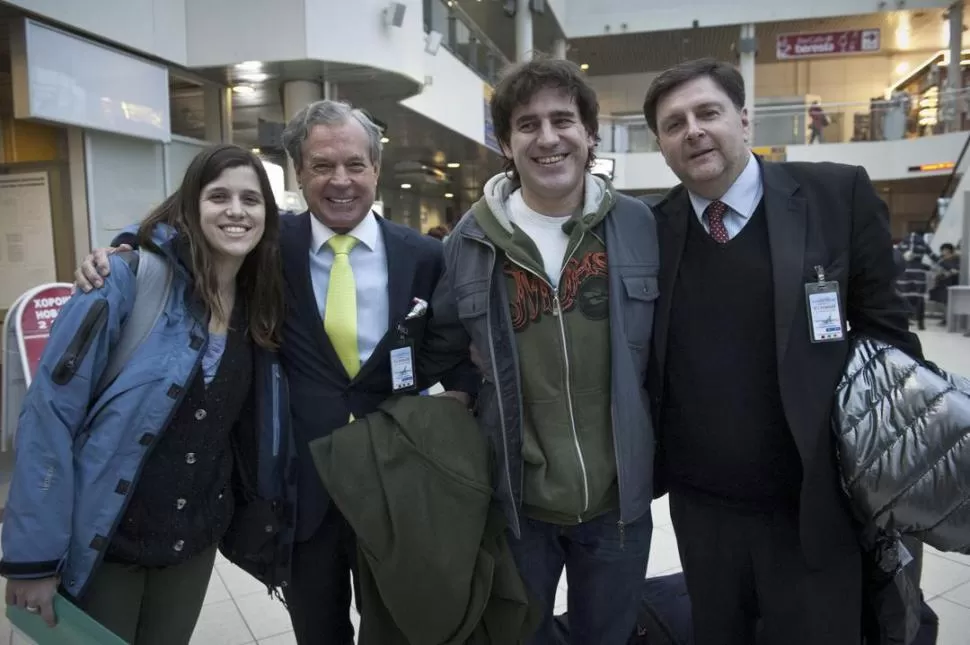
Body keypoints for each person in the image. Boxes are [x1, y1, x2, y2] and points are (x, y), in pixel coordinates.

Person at [74, 100, 476, 645]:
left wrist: (457, 400)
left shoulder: (424, 257)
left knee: (399, 629)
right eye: (321, 166)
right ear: (297, 173)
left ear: (376, 170)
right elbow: (191, 227)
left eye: (355, 165)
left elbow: (452, 347)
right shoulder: (267, 246)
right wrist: (123, 245)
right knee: (318, 630)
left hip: (393, 482)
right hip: (301, 489)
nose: (340, 181)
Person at [641, 58, 922, 645]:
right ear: (662, 146)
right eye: (674, 124)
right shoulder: (650, 229)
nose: (692, 130)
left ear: (744, 121)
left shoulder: (834, 195)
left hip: (815, 507)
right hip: (702, 514)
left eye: (707, 112)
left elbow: (890, 339)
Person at [1, 144, 291, 644]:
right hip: (108, 540)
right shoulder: (121, 281)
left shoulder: (259, 307)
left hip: (192, 545)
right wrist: (33, 559)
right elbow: (48, 415)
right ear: (190, 207)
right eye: (218, 196)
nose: (236, 211)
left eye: (251, 198)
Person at [420, 56, 658, 645]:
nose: (547, 138)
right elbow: (447, 351)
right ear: (505, 142)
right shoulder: (468, 243)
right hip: (518, 506)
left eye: (563, 120)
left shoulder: (639, 226)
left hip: (619, 506)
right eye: (527, 124)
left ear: (590, 133)